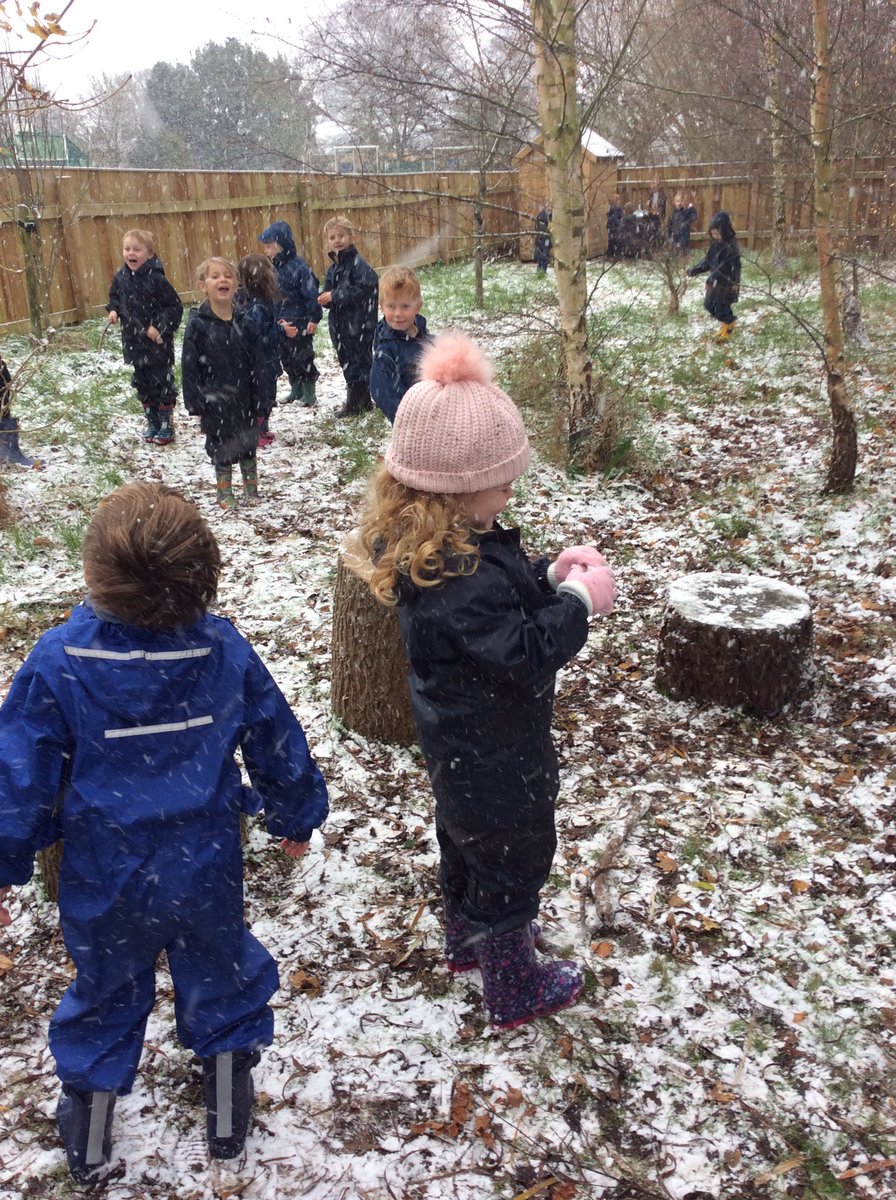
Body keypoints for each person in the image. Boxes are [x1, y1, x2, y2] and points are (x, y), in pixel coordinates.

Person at [0, 482, 328, 1181]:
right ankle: (227, 1104)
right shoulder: (222, 649)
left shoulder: (60, 661)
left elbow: (17, 776)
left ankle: (90, 1128)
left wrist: (3, 861)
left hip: (106, 872)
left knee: (107, 984)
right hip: (203, 861)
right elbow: (275, 735)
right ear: (201, 575)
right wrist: (293, 811)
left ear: (98, 577)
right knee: (221, 968)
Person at [358, 332, 616, 1030]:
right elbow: (524, 650)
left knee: (465, 841)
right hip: (498, 752)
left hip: (461, 747)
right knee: (512, 858)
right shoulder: (459, 574)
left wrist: (545, 577)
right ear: (456, 486)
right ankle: (511, 982)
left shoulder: (447, 554)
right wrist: (578, 605)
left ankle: (464, 939)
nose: (511, 489)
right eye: (502, 480)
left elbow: (496, 615)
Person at [181, 257, 267, 509]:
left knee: (248, 442)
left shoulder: (246, 323)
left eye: (228, 276)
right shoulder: (198, 325)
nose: (222, 280)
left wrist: (263, 395)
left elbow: (259, 363)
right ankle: (224, 490)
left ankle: (251, 487)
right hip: (213, 399)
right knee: (220, 445)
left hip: (245, 396)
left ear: (236, 285)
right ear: (202, 285)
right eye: (215, 276)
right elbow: (189, 365)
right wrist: (194, 399)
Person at [106, 228, 183, 445]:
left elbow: (174, 306)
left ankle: (166, 423)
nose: (131, 253)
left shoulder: (157, 279)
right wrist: (113, 311)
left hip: (157, 344)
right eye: (127, 248)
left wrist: (158, 326)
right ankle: (152, 421)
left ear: (149, 254)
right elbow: (115, 297)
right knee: (142, 382)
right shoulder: (121, 278)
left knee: (161, 382)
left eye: (137, 249)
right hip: (133, 342)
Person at [318, 215, 379, 418]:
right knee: (346, 360)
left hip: (358, 324)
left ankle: (358, 402)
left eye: (341, 235)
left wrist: (335, 296)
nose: (337, 240)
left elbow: (364, 289)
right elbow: (329, 290)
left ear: (351, 237)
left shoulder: (358, 265)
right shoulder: (334, 269)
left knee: (359, 361)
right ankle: (358, 400)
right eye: (332, 237)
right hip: (340, 325)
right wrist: (326, 298)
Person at [257, 220, 321, 408]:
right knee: (286, 357)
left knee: (303, 356)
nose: (267, 251)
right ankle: (296, 388)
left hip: (299, 320)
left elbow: (311, 294)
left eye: (270, 246)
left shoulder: (300, 268)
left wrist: (313, 318)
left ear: (282, 246)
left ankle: (309, 392)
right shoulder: (275, 269)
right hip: (282, 321)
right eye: (266, 247)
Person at [369, 266, 433, 425]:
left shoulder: (425, 337)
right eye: (391, 306)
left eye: (405, 306)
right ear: (382, 306)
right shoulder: (385, 352)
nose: (398, 313)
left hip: (434, 413)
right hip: (410, 422)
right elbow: (383, 394)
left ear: (418, 307)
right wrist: (408, 419)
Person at [236, 254, 281, 447]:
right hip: (262, 362)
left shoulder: (252, 301)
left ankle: (262, 429)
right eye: (270, 269)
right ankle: (256, 431)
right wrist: (280, 330)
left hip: (263, 361)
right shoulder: (257, 305)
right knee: (264, 395)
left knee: (266, 394)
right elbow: (259, 337)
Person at [686, 210, 742, 339]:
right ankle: (727, 323)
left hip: (726, 283)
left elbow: (728, 267)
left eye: (718, 234)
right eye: (713, 234)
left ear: (725, 231)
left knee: (722, 307)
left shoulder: (731, 247)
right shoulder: (715, 245)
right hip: (715, 283)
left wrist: (735, 283)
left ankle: (728, 326)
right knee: (709, 305)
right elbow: (707, 261)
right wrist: (694, 270)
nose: (716, 236)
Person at [534, 202, 552, 272]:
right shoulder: (541, 215)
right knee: (540, 256)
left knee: (546, 256)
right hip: (541, 238)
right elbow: (538, 227)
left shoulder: (552, 216)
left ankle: (543, 272)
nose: (549, 207)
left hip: (547, 239)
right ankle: (540, 273)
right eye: (548, 206)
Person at [606, 194, 624, 259]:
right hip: (614, 227)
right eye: (617, 200)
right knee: (613, 240)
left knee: (614, 240)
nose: (619, 202)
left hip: (614, 227)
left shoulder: (618, 208)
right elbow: (614, 218)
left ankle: (614, 253)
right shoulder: (613, 208)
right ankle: (612, 253)